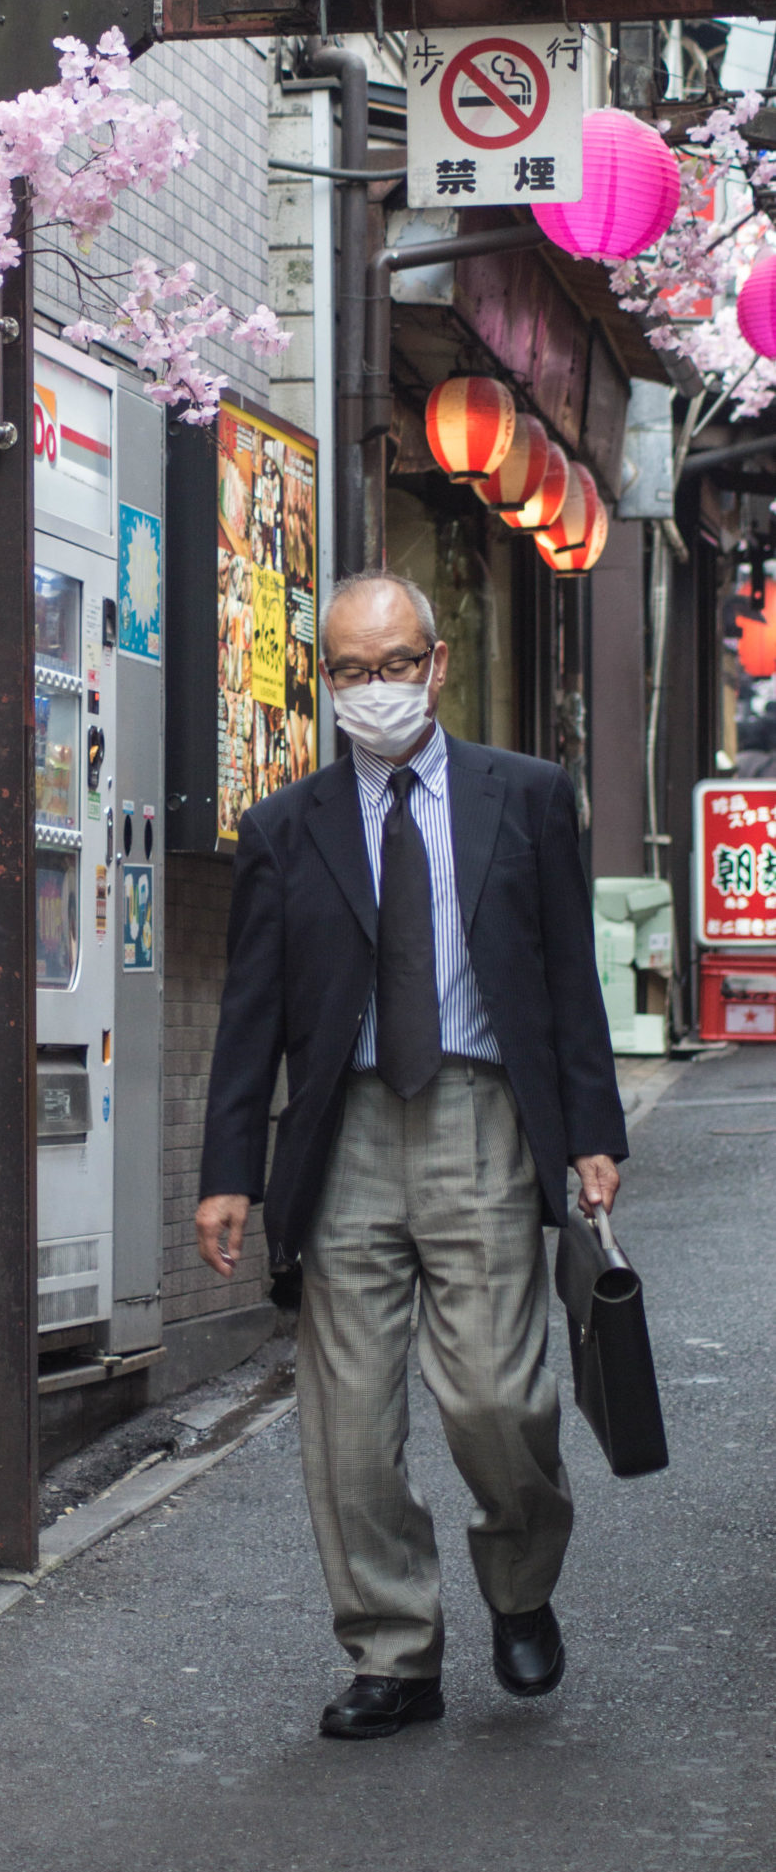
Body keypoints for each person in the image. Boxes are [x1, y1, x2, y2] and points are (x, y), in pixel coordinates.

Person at [196, 570, 626, 1741]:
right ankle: (393, 1649)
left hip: (479, 1113)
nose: (374, 687)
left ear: (436, 664)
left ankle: (520, 1579)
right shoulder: (287, 827)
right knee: (346, 1418)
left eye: (395, 663)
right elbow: (250, 1011)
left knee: (496, 1390)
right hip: (342, 1130)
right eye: (348, 669)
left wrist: (592, 1132)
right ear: (323, 683)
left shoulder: (527, 796)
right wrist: (228, 1166)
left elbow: (567, 978)